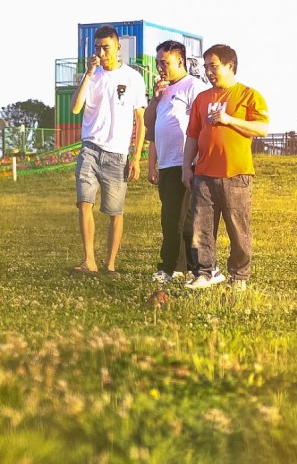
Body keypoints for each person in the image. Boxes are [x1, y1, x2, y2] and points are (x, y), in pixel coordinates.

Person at [182, 44, 269, 291]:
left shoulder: (248, 95)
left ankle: (239, 276)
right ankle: (205, 272)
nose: (209, 72)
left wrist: (229, 120)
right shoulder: (202, 99)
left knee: (238, 228)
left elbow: (262, 128)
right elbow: (192, 135)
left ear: (230, 66)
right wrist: (186, 167)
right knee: (201, 227)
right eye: (206, 67)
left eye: (214, 66)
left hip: (236, 174)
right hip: (203, 173)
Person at [70, 25, 147, 274]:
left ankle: (110, 264)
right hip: (90, 148)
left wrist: (136, 157)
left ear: (117, 47)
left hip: (117, 154)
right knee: (84, 202)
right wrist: (88, 74)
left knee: (115, 211)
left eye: (106, 47)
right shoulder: (91, 76)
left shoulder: (133, 78)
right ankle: (89, 260)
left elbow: (141, 120)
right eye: (97, 48)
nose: (101, 53)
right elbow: (75, 108)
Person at [146, 40, 209, 283]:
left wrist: (194, 161)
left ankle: (169, 267)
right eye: (158, 62)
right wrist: (155, 99)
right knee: (178, 218)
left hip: (185, 162)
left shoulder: (193, 86)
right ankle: (186, 266)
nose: (160, 67)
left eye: (165, 62)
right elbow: (149, 125)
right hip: (166, 163)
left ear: (180, 61)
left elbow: (202, 124)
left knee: (175, 219)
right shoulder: (163, 90)